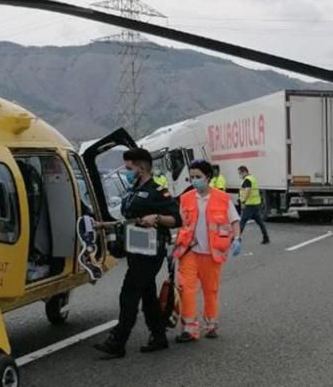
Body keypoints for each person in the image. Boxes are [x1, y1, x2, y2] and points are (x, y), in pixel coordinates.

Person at [94, 148, 181, 358]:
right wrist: (103, 225)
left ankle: (118, 341)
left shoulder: (158, 190)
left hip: (151, 249)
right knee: (148, 294)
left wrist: (157, 218)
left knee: (129, 293)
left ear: (141, 167)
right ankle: (158, 336)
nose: (126, 171)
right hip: (136, 246)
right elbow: (129, 219)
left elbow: (177, 219)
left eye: (129, 167)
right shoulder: (133, 189)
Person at [173, 160, 242, 342]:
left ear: (208, 177)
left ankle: (211, 325)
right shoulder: (185, 198)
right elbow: (180, 223)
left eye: (198, 177)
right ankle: (189, 329)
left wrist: (237, 238)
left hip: (212, 253)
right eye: (192, 177)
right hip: (189, 252)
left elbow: (234, 220)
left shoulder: (222, 198)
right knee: (186, 288)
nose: (194, 180)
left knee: (210, 290)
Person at [237, 165, 270, 245]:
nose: (239, 175)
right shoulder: (252, 178)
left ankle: (236, 239)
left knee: (243, 221)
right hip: (255, 204)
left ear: (244, 171)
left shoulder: (247, 180)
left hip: (250, 204)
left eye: (240, 173)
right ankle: (266, 237)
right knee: (260, 222)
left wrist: (243, 201)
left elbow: (247, 191)